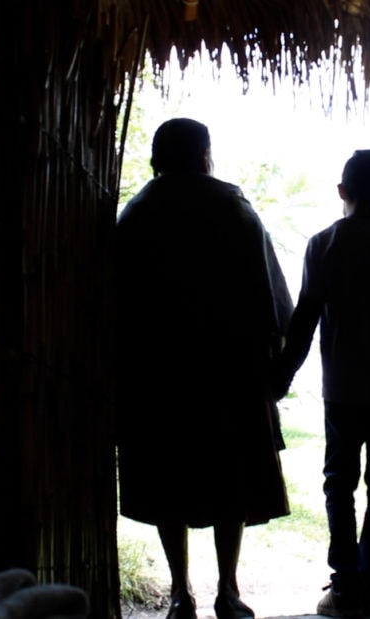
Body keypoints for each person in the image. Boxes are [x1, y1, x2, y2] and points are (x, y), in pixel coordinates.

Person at [114, 118, 293, 619]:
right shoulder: (234, 210)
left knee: (168, 478)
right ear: (205, 156)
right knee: (229, 479)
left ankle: (178, 593)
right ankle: (228, 592)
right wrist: (273, 369)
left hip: (158, 375)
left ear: (157, 158)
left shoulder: (139, 213)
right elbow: (272, 301)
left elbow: (118, 303)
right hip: (229, 372)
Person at [272, 149, 370, 618]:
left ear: (342, 192)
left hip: (343, 390)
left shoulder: (323, 244)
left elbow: (305, 318)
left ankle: (344, 582)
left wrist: (283, 374)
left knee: (339, 482)